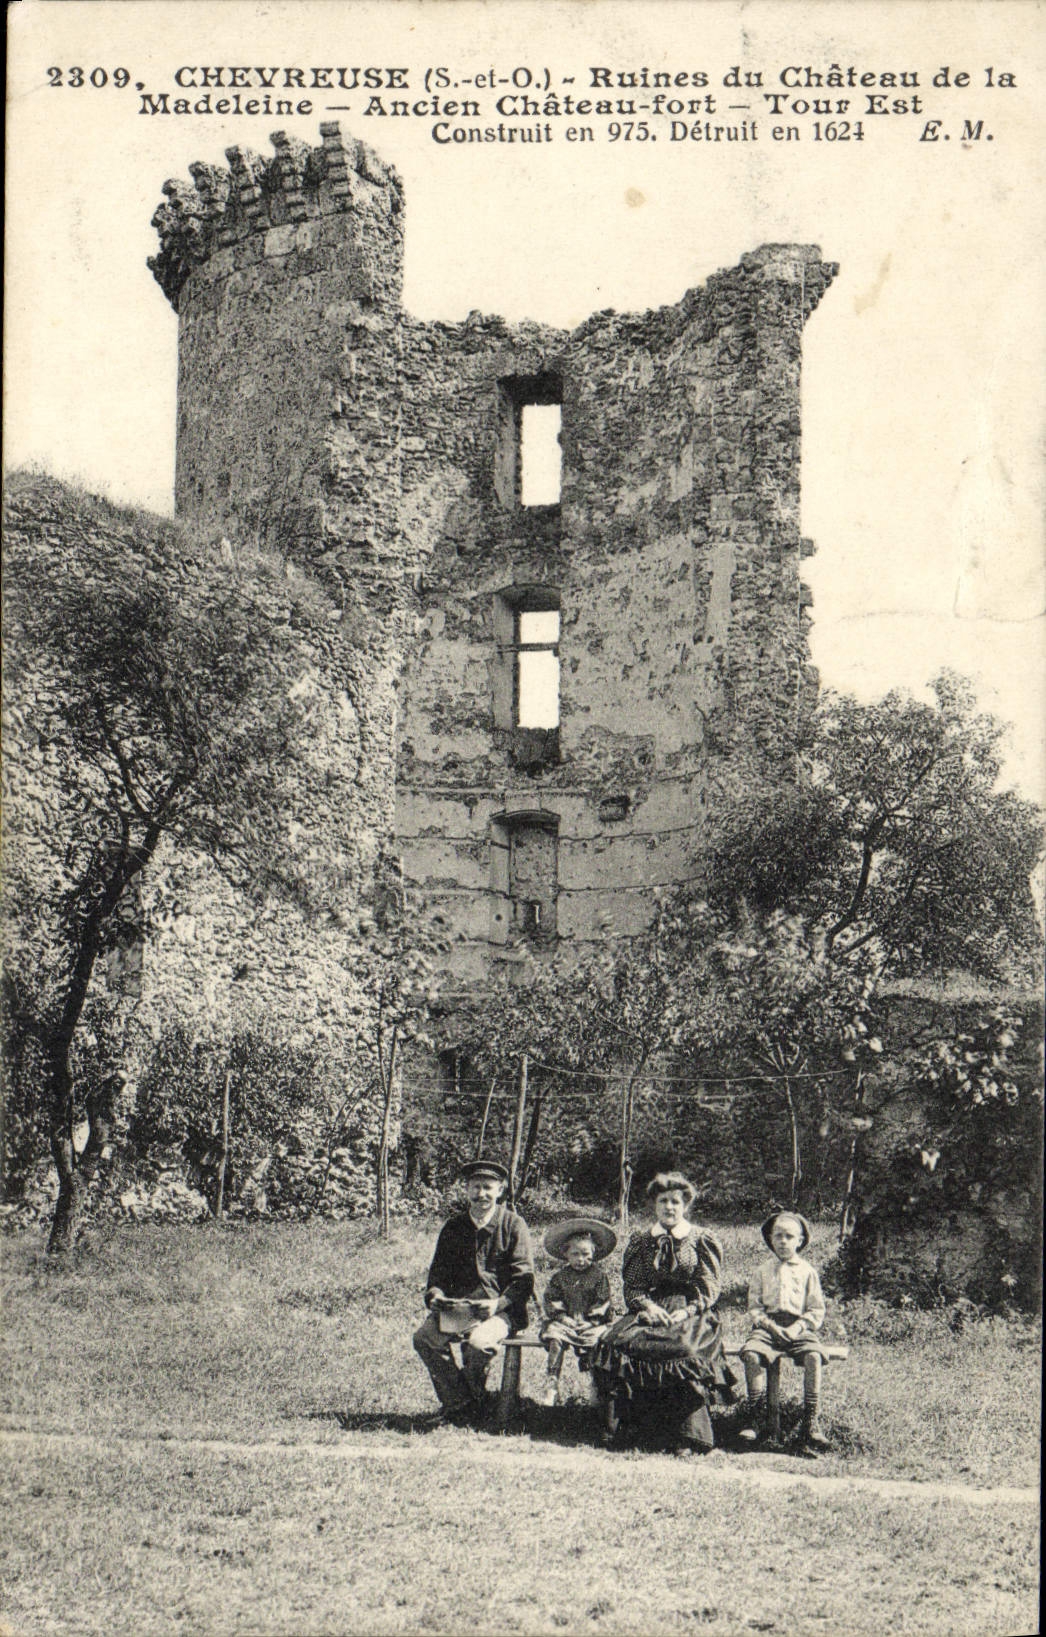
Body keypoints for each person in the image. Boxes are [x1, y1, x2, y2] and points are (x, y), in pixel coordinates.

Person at [591, 1172, 737, 1454]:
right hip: (651, 1307)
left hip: (692, 1310)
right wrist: (647, 1307)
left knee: (683, 1349)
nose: (669, 1207)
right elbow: (633, 1286)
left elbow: (709, 1288)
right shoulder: (642, 1241)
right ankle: (627, 1430)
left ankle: (687, 1437)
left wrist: (686, 1312)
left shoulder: (701, 1239)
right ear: (654, 1206)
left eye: (675, 1202)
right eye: (663, 1202)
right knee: (613, 1344)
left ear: (685, 1206)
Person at [412, 1158, 534, 1426]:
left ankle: (465, 1407)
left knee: (479, 1343)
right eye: (476, 1187)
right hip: (459, 1310)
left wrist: (497, 1304)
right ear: (466, 1190)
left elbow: (524, 1280)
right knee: (424, 1339)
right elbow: (438, 1275)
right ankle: (463, 1403)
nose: (482, 1194)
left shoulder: (513, 1225)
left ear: (500, 1190)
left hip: (500, 1312)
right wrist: (436, 1297)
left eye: (488, 1188)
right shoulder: (454, 1227)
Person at [739, 1210, 831, 1452]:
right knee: (751, 1353)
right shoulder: (762, 1271)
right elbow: (755, 1307)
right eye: (777, 1236)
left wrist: (797, 1327)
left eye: (789, 1236)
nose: (782, 1241)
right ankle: (756, 1418)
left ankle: (810, 1422)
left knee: (814, 1356)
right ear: (770, 1239)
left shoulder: (807, 1271)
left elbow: (816, 1310)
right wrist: (770, 1325)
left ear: (800, 1241)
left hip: (798, 1327)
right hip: (767, 1327)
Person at [539, 1218, 616, 1406]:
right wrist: (563, 1318)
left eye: (586, 1254)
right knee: (555, 1338)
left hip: (591, 1323)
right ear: (566, 1254)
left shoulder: (599, 1277)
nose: (581, 1260)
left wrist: (591, 1321)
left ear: (594, 1254)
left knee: (596, 1342)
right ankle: (552, 1382)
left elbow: (603, 1301)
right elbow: (552, 1299)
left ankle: (596, 1386)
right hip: (565, 1321)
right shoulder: (560, 1277)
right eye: (575, 1254)